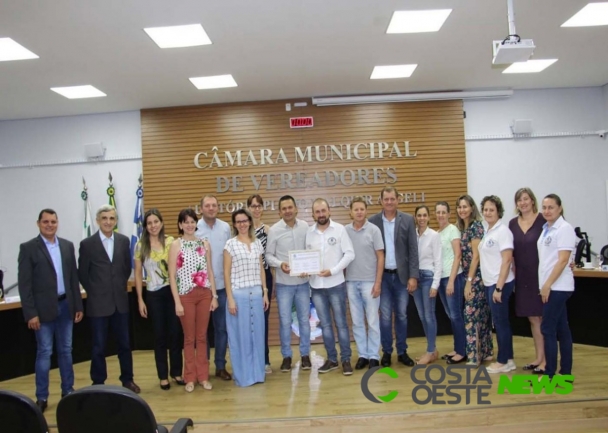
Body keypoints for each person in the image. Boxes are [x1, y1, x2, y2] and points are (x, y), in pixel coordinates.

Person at [18, 209, 83, 412]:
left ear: (57, 223)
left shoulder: (66, 246)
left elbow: (73, 278)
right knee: (44, 352)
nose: (49, 225)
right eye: (45, 221)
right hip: (42, 311)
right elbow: (24, 285)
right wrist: (30, 313)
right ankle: (42, 396)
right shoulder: (29, 248)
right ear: (38, 223)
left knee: (66, 351)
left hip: (66, 306)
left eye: (53, 221)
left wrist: (78, 305)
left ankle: (68, 391)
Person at [79, 204, 140, 392]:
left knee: (124, 344)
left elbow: (124, 268)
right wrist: (97, 290)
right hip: (98, 304)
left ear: (116, 221)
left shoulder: (123, 241)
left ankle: (127, 379)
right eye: (104, 218)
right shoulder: (87, 244)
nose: (108, 222)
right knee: (98, 346)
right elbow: (82, 274)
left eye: (112, 218)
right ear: (98, 221)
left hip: (120, 303)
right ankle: (98, 382)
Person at [369, 186, 418, 367]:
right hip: (383, 277)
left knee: (402, 315)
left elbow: (413, 250)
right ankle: (387, 352)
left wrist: (413, 276)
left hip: (401, 277)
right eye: (386, 199)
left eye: (392, 199)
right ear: (381, 201)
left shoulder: (407, 219)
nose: (389, 202)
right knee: (384, 317)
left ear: (398, 199)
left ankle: (402, 351)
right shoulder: (372, 221)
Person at [169, 208, 218, 392]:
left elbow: (210, 271)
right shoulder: (176, 244)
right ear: (180, 225)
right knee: (189, 339)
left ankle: (203, 377)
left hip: (204, 294)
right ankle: (189, 377)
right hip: (185, 296)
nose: (189, 225)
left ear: (196, 223)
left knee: (202, 337)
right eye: (186, 222)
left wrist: (214, 296)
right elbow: (172, 276)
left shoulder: (204, 244)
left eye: (192, 221)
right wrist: (177, 302)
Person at [134, 208, 184, 390]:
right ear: (146, 226)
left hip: (172, 293)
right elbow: (139, 273)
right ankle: (163, 376)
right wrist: (140, 299)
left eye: (156, 222)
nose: (153, 226)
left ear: (161, 223)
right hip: (154, 294)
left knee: (176, 334)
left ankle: (177, 372)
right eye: (149, 223)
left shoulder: (171, 242)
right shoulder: (140, 245)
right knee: (160, 336)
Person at [306, 198, 355, 375]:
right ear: (313, 214)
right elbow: (305, 257)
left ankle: (346, 360)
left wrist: (333, 270)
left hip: (336, 284)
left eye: (323, 211)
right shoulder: (309, 233)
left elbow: (349, 254)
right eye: (317, 211)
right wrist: (304, 269)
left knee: (341, 324)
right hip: (316, 287)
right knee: (325, 325)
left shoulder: (340, 230)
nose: (321, 214)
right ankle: (332, 359)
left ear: (329, 211)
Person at [265, 195, 312, 372]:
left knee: (304, 321)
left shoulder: (305, 227)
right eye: (284, 208)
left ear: (296, 209)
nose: (287, 211)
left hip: (303, 282)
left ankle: (305, 355)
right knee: (285, 321)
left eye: (290, 207)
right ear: (279, 212)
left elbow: (311, 250)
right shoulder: (275, 230)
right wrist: (280, 264)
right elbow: (269, 256)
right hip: (284, 284)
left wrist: (310, 266)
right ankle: (286, 356)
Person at [224, 209, 269, 387]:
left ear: (249, 222)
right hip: (239, 295)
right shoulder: (230, 244)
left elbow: (261, 270)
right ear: (234, 225)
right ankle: (244, 376)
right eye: (238, 221)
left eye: (245, 221)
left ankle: (258, 374)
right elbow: (226, 273)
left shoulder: (257, 243)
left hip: (256, 295)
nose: (242, 224)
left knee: (257, 336)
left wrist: (265, 292)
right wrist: (230, 298)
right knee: (240, 337)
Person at [537, 194, 576, 382]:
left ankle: (549, 374)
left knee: (547, 328)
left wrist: (547, 286)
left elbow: (562, 261)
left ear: (560, 208)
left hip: (558, 287)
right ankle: (566, 372)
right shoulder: (546, 228)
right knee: (562, 328)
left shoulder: (564, 228)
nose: (547, 211)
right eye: (544, 207)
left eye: (551, 207)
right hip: (552, 285)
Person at [508, 187, 546, 374]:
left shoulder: (543, 220)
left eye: (525, 199)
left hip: (540, 275)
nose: (522, 203)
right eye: (519, 200)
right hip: (522, 275)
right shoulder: (513, 224)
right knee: (533, 318)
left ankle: (546, 360)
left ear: (532, 200)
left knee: (543, 316)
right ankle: (538, 357)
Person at [345, 197, 384, 369]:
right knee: (357, 321)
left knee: (373, 321)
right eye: (356, 209)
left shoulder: (374, 230)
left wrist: (378, 283)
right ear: (351, 212)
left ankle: (374, 356)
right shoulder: (344, 231)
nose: (359, 212)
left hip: (370, 282)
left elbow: (380, 257)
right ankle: (363, 355)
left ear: (366, 211)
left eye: (362, 209)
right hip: (351, 282)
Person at [196, 195, 232, 381]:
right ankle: (202, 369)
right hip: (201, 288)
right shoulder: (194, 228)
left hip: (222, 287)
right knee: (201, 331)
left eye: (214, 205)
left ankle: (220, 366)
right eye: (207, 206)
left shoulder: (226, 228)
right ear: (201, 208)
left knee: (222, 329)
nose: (211, 208)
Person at [478, 196, 516, 374]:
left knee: (501, 323)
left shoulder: (503, 231)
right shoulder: (489, 230)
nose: (487, 213)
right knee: (500, 322)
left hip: (499, 284)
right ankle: (508, 359)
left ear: (498, 211)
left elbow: (507, 259)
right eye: (485, 209)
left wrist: (499, 287)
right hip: (490, 283)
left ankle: (503, 361)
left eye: (491, 210)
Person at [456, 195, 493, 367]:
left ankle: (473, 357)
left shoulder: (476, 227)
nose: (462, 210)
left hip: (476, 277)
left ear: (472, 208)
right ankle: (486, 353)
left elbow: (476, 256)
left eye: (465, 206)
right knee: (482, 315)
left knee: (469, 314)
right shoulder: (463, 228)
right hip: (470, 276)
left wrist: (469, 281)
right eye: (459, 207)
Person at [435, 201, 466, 364]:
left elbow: (458, 255)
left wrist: (452, 281)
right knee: (451, 315)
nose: (440, 215)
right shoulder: (437, 232)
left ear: (448, 214)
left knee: (456, 315)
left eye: (443, 212)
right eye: (438, 212)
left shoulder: (453, 230)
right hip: (441, 278)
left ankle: (462, 351)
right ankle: (458, 347)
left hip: (452, 278)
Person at [247, 194, 274, 374]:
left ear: (262, 208)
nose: (256, 209)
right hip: (246, 278)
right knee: (247, 321)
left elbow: (271, 258)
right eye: (253, 206)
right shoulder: (241, 230)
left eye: (259, 206)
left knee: (262, 320)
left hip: (264, 277)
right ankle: (248, 360)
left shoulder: (268, 230)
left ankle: (264, 360)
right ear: (248, 208)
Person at [412, 205, 442, 365]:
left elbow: (438, 261)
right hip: (416, 279)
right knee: (422, 316)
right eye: (419, 215)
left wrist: (435, 285)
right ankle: (433, 350)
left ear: (429, 217)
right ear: (415, 217)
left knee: (429, 315)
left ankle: (430, 352)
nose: (422, 218)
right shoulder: (414, 235)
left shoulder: (434, 236)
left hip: (429, 278)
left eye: (424, 215)